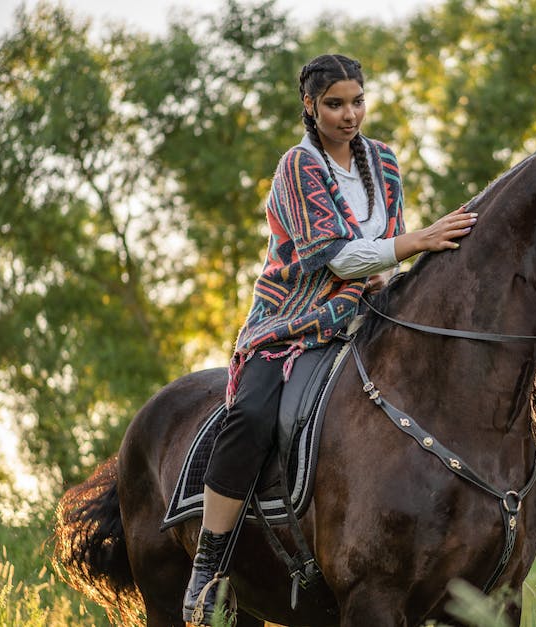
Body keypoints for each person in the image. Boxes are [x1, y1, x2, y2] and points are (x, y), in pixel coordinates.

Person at [182, 53, 478, 625]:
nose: (349, 115)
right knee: (249, 416)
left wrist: (402, 272)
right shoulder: (296, 167)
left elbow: (383, 253)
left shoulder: (385, 164)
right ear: (310, 107)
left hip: (372, 311)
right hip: (294, 319)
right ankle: (209, 565)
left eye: (357, 101)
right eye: (335, 104)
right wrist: (418, 241)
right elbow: (333, 257)